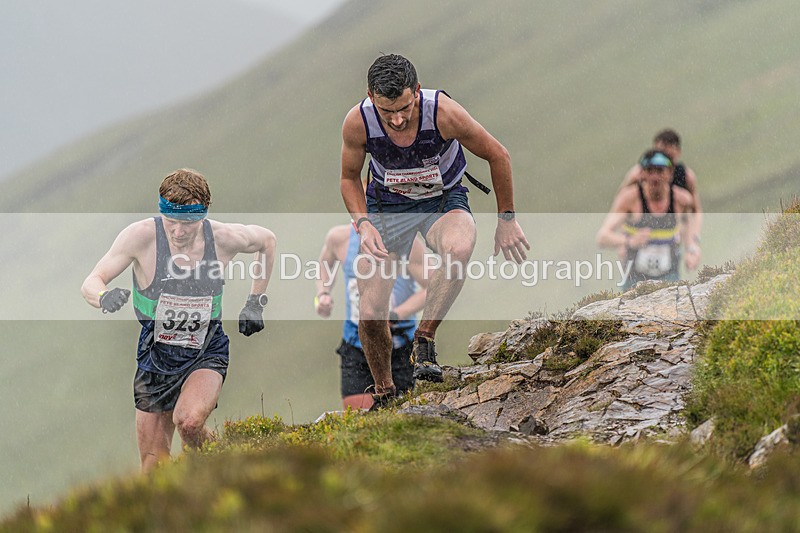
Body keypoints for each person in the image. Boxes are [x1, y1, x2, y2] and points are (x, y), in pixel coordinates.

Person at [340, 53, 529, 402]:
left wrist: (506, 220)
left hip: (441, 200)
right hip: (387, 208)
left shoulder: (443, 112)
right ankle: (384, 392)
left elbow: (498, 154)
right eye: (386, 111)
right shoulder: (358, 122)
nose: (396, 120)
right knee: (370, 310)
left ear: (417, 91)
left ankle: (423, 342)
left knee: (457, 249)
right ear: (371, 97)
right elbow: (349, 178)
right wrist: (363, 224)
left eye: (404, 108)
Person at [81, 169, 276, 471]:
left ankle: (226, 469)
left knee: (188, 422)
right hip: (155, 355)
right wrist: (104, 297)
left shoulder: (223, 238)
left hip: (205, 350)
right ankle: (214, 470)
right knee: (152, 466)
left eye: (187, 223)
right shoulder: (141, 237)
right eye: (171, 222)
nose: (178, 232)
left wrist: (256, 302)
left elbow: (267, 241)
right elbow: (91, 281)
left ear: (203, 215)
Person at [315, 224, 428, 409]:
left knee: (396, 415)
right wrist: (323, 294)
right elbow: (324, 264)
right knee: (359, 419)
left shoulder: (410, 244)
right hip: (356, 345)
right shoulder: (339, 238)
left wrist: (396, 315)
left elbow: (431, 287)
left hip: (398, 347)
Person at [597, 150, 700, 289]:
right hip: (634, 279)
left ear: (670, 173)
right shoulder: (630, 199)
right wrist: (629, 241)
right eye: (649, 171)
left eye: (659, 171)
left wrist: (691, 248)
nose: (654, 177)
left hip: (669, 276)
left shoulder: (681, 199)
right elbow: (602, 237)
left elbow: (689, 223)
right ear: (642, 174)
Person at [619, 128, 703, 237]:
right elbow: (620, 204)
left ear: (678, 152)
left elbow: (696, 210)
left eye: (669, 158)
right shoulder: (638, 173)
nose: (656, 176)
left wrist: (694, 237)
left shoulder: (686, 176)